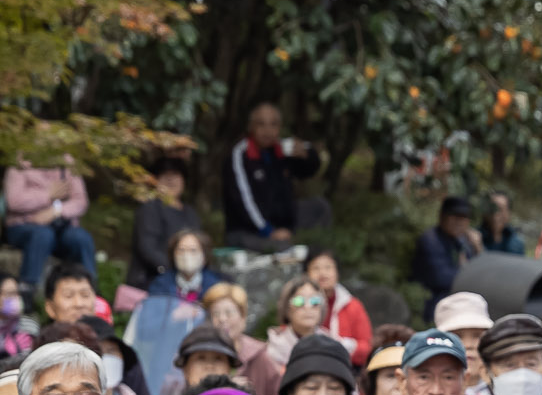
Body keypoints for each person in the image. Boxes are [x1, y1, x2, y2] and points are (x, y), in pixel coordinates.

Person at [223, 101, 321, 250]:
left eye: (273, 124)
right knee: (282, 247)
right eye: (261, 124)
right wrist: (269, 231)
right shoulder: (240, 154)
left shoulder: (282, 150)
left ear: (279, 128)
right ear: (251, 127)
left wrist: (306, 154)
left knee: (320, 208)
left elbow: (309, 170)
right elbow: (243, 202)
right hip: (248, 230)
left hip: (285, 224)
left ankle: (312, 252)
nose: (267, 131)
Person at [1, 155, 98, 294]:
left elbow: (81, 201)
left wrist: (55, 211)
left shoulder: (67, 162)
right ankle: (27, 290)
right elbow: (13, 201)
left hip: (61, 225)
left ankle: (90, 290)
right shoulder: (20, 161)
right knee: (42, 234)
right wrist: (48, 195)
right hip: (23, 225)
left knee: (81, 237)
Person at [130, 156, 207, 292]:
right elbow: (147, 248)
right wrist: (177, 270)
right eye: (165, 175)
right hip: (153, 278)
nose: (170, 180)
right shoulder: (150, 209)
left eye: (176, 175)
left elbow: (200, 246)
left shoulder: (190, 213)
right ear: (155, 180)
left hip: (189, 277)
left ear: (183, 180)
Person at [303, 248, 372, 364]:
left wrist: (342, 346)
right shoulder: (299, 304)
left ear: (337, 272)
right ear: (306, 274)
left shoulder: (352, 305)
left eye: (328, 267)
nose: (322, 273)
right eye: (316, 268)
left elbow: (367, 347)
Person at [412, 196, 478, 314]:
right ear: (442, 216)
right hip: (432, 303)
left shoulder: (465, 242)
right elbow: (441, 278)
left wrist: (479, 248)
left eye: (463, 217)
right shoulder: (430, 240)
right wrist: (466, 271)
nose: (459, 221)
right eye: (454, 216)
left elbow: (483, 274)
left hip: (459, 301)